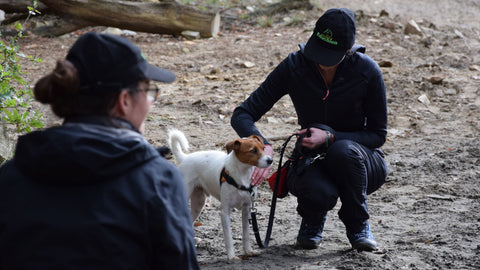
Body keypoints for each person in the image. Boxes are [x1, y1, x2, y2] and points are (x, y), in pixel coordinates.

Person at [0, 32, 200, 269]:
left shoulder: (10, 176)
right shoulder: (157, 182)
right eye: (148, 90)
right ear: (124, 100)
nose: (151, 100)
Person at [231, 8, 388, 251]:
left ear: (347, 50)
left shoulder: (367, 71)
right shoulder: (295, 65)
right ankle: (312, 219)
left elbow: (378, 135)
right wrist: (264, 145)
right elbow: (242, 114)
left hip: (362, 162)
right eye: (318, 52)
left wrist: (331, 137)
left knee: (343, 150)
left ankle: (358, 225)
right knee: (317, 187)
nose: (321, 63)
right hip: (311, 159)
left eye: (330, 56)